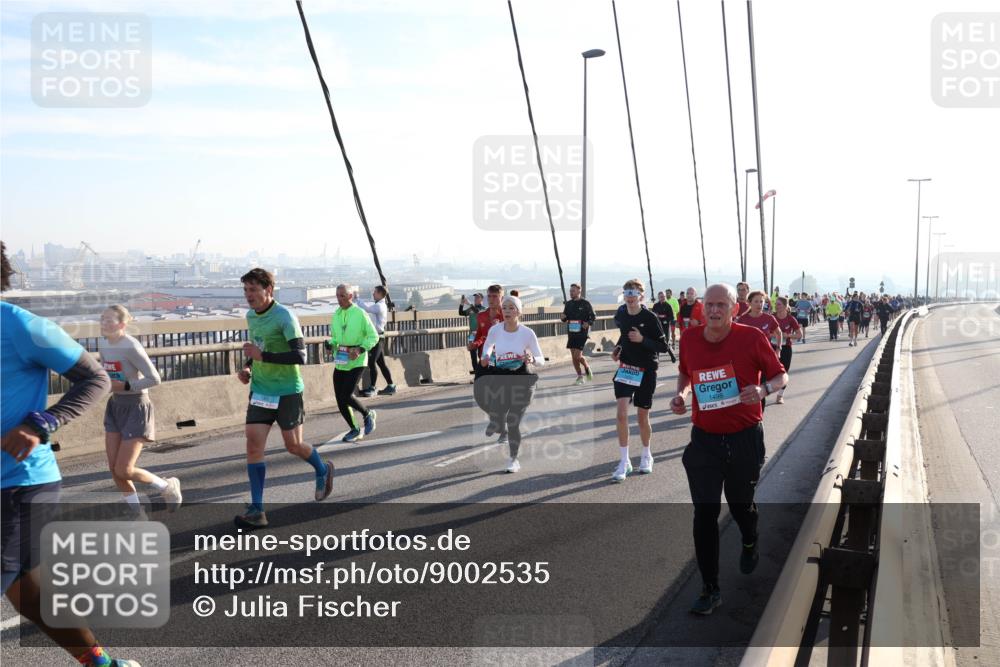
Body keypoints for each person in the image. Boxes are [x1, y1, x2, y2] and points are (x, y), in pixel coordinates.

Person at [1, 243, 142, 667]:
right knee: (27, 593)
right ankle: (103, 665)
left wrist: (41, 423)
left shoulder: (21, 325)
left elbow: (94, 378)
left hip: (20, 483)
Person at [670, 283, 787, 615]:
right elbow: (684, 373)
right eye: (710, 304)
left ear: (735, 309)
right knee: (704, 513)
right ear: (702, 308)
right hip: (704, 441)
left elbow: (781, 376)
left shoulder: (751, 338)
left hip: (744, 439)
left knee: (741, 507)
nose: (714, 310)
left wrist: (763, 389)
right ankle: (710, 588)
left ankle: (750, 540)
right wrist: (682, 395)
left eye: (722, 305)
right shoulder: (690, 339)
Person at [236, 268, 334, 529]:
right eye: (246, 290)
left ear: (269, 290)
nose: (249, 295)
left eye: (253, 290)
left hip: (288, 391)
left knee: (293, 446)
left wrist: (261, 358)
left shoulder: (285, 316)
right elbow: (260, 347)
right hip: (261, 390)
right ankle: (257, 509)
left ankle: (322, 469)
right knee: (253, 445)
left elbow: (300, 356)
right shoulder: (250, 316)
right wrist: (248, 367)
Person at [98, 305, 181, 514]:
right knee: (114, 469)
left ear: (122, 324)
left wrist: (126, 386)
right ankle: (137, 514)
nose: (105, 323)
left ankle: (166, 486)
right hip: (115, 406)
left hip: (136, 406)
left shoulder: (131, 347)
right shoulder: (103, 343)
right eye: (103, 319)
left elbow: (155, 378)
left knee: (124, 469)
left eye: (110, 320)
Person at [475, 296, 545, 473]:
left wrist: (532, 359)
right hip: (502, 377)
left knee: (513, 421)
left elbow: (541, 359)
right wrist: (485, 356)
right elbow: (488, 345)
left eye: (511, 308)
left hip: (523, 379)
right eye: (504, 308)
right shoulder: (496, 330)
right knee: (492, 405)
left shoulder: (527, 333)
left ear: (519, 312)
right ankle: (496, 422)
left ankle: (513, 460)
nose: (506, 311)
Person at [610, 279, 669, 482]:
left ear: (641, 296)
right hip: (626, 368)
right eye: (627, 291)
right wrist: (618, 348)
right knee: (621, 414)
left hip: (646, 370)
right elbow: (624, 336)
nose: (630, 295)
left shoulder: (650, 318)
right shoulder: (620, 313)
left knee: (642, 416)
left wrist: (643, 340)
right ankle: (624, 461)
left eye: (634, 292)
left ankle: (646, 454)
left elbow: (663, 347)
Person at [327, 284, 380, 443]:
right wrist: (331, 344)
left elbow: (373, 336)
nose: (339, 299)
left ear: (350, 296)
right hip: (341, 360)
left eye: (342, 296)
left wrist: (360, 349)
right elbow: (336, 338)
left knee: (346, 395)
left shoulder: (360, 313)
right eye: (337, 296)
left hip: (357, 360)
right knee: (340, 399)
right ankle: (354, 429)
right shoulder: (336, 314)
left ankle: (367, 413)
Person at [469, 285, 507, 440]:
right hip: (485, 360)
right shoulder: (481, 316)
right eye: (489, 296)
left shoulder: (507, 315)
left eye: (495, 296)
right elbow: (480, 335)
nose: (491, 299)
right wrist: (474, 344)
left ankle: (503, 429)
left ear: (501, 298)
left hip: (503, 360)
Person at [355, 286, 396, 397]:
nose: (373, 294)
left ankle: (372, 388)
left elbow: (367, 309)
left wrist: (357, 299)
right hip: (379, 337)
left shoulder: (380, 306)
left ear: (380, 294)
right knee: (381, 364)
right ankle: (391, 386)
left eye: (375, 292)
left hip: (377, 339)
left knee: (371, 362)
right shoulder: (382, 305)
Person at [561, 283, 596, 385]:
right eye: (570, 291)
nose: (571, 293)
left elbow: (593, 317)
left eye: (573, 291)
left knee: (577, 356)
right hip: (572, 333)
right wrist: (563, 317)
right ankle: (580, 376)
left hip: (582, 333)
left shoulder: (585, 303)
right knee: (573, 357)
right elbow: (564, 318)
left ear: (579, 291)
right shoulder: (568, 304)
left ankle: (586, 366)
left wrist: (588, 323)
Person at [772, 297, 802, 404]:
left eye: (779, 304)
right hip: (772, 346)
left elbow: (799, 335)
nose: (776, 306)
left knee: (784, 372)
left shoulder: (791, 319)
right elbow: (764, 332)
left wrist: (787, 335)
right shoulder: (772, 317)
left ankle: (780, 395)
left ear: (785, 306)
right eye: (776, 304)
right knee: (767, 371)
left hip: (786, 348)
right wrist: (775, 334)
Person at [459, 292, 486, 373]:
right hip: (472, 334)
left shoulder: (484, 309)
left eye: (477, 298)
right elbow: (461, 313)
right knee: (472, 352)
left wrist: (469, 303)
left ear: (481, 299)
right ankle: (476, 371)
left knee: (481, 353)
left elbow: (477, 311)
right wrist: (462, 304)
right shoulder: (471, 309)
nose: (475, 299)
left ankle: (482, 369)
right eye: (475, 298)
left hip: (481, 334)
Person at [652, 291, 676, 357]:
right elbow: (652, 315)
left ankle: (671, 354)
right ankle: (657, 357)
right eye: (661, 297)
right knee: (657, 341)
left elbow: (672, 317)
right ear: (658, 298)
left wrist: (665, 318)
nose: (662, 298)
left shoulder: (668, 306)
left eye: (663, 297)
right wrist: (656, 316)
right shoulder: (655, 305)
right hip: (658, 326)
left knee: (666, 341)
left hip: (666, 325)